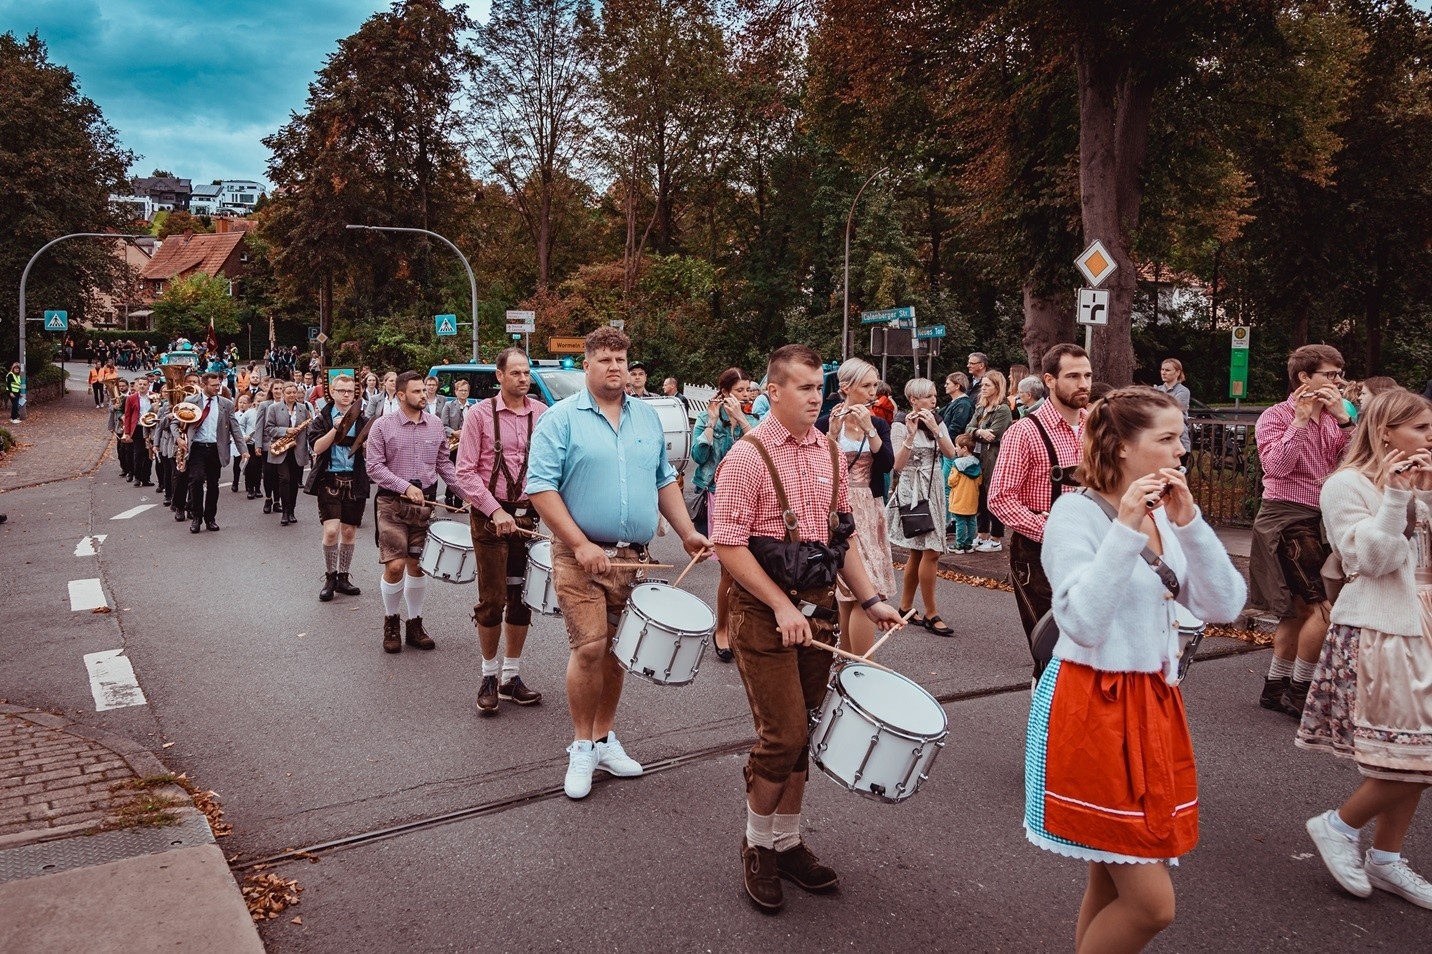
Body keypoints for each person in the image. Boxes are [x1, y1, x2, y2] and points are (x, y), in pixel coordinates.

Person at [1026, 386, 1246, 954]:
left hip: (1152, 698)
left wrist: (1191, 523)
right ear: (1122, 447)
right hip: (1092, 700)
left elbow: (1224, 606)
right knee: (1152, 905)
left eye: (1182, 436)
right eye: (1168, 439)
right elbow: (1083, 621)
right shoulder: (1074, 513)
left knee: (1108, 871)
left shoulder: (1166, 514)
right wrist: (1124, 532)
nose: (1182, 450)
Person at [711, 343, 903, 912]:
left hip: (818, 608)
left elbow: (836, 538)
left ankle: (787, 841)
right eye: (804, 388)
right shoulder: (745, 457)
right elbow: (728, 545)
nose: (816, 398)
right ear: (773, 392)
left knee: (804, 738)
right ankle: (755, 844)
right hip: (765, 612)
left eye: (820, 388)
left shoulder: (829, 453)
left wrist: (870, 600)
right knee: (783, 735)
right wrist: (780, 606)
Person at [526, 327, 711, 800]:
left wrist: (688, 531)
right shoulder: (560, 419)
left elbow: (664, 478)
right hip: (579, 555)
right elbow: (541, 488)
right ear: (586, 365)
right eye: (605, 359)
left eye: (621, 359)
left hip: (633, 560)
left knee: (616, 653)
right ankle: (581, 745)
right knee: (589, 647)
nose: (614, 367)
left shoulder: (647, 418)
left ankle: (605, 738)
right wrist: (579, 543)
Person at [1298, 388, 1432, 907]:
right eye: (1420, 428)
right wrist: (1398, 498)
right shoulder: (1345, 485)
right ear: (1384, 431)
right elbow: (1371, 561)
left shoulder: (1423, 480)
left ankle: (1386, 859)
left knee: (1411, 755)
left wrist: (1424, 493)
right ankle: (1338, 825)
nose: (1429, 436)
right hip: (1381, 627)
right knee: (1415, 757)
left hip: (1422, 624)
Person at [1250, 344, 1352, 717]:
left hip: (1322, 517)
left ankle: (1275, 688)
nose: (1337, 381)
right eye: (1330, 374)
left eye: (1339, 374)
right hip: (1286, 518)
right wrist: (1299, 422)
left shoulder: (1335, 417)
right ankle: (1300, 691)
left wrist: (1344, 419)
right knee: (1321, 609)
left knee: (1296, 611)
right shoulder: (1275, 417)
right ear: (1304, 378)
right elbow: (1275, 467)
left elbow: (1358, 461)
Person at [453, 348, 547, 714]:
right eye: (517, 373)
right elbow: (464, 472)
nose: (524, 379)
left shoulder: (542, 414)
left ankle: (511, 675)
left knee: (521, 599)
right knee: (492, 600)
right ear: (499, 376)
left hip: (528, 517)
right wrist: (494, 509)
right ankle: (489, 674)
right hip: (489, 518)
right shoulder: (479, 415)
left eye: (527, 373)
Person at [989, 344, 1093, 670]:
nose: (1083, 384)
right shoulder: (1025, 432)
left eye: (1087, 375)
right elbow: (1000, 499)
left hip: (1092, 551)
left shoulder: (1098, 426)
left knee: (1088, 656)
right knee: (1053, 658)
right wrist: (1052, 529)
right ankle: (1044, 719)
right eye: (1073, 376)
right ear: (1049, 379)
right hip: (1038, 555)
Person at [365, 371, 461, 654]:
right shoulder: (382, 426)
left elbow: (444, 465)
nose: (424, 395)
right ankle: (391, 621)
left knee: (417, 566)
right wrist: (404, 487)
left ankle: (415, 623)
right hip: (391, 504)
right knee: (395, 566)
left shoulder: (435, 425)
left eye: (424, 391)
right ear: (401, 394)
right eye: (418, 391)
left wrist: (469, 496)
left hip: (424, 506)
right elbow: (374, 467)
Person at [820, 358, 896, 654]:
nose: (872, 391)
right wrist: (830, 434)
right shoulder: (827, 422)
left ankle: (850, 661)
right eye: (866, 385)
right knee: (851, 591)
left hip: (870, 506)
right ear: (845, 387)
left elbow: (887, 464)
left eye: (874, 385)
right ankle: (856, 662)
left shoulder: (877, 422)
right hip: (840, 508)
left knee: (866, 588)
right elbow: (819, 468)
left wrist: (871, 430)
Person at [692, 367, 759, 661]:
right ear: (725, 391)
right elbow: (699, 457)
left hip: (755, 498)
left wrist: (742, 421)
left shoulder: (756, 419)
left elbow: (764, 450)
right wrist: (710, 423)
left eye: (749, 390)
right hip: (721, 495)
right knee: (729, 571)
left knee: (757, 566)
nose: (746, 395)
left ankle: (746, 628)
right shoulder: (708, 419)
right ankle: (722, 629)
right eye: (740, 390)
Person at [886, 378, 958, 637]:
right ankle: (931, 612)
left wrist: (934, 430)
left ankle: (905, 606)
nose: (933, 400)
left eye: (934, 395)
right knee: (930, 551)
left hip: (934, 487)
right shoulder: (899, 423)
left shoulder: (936, 421)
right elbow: (896, 464)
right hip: (912, 488)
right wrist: (911, 433)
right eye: (928, 396)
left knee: (919, 552)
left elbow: (951, 454)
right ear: (913, 399)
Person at [306, 374, 368, 603]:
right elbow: (317, 447)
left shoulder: (363, 420)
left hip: (354, 479)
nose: (345, 395)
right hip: (329, 480)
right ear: (332, 392)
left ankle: (343, 577)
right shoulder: (322, 419)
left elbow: (370, 454)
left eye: (349, 391)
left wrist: (367, 448)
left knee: (349, 531)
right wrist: (336, 429)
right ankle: (329, 577)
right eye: (341, 390)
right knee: (331, 530)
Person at [182, 373, 243, 533]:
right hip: (197, 448)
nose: (218, 388)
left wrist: (243, 450)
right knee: (196, 480)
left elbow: (234, 427)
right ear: (204, 385)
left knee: (213, 484)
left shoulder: (226, 404)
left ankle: (210, 518)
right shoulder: (190, 401)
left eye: (219, 384)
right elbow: (176, 421)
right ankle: (196, 517)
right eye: (214, 385)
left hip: (216, 448)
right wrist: (179, 439)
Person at [966, 369, 1014, 552]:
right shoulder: (981, 407)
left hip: (994, 458)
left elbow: (993, 435)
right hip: (978, 456)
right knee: (980, 495)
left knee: (992, 495)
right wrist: (978, 432)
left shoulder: (1002, 409)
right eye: (982, 385)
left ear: (997, 386)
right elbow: (969, 427)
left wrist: (977, 432)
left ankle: (996, 538)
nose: (983, 388)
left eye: (987, 385)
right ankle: (982, 533)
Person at [264, 382, 313, 526]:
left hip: (297, 449)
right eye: (289, 393)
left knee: (293, 482)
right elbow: (269, 428)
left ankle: (291, 511)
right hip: (282, 449)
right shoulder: (273, 408)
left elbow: (309, 429)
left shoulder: (303, 408)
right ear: (283, 394)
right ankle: (284, 512)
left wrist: (313, 447)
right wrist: (285, 431)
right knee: (284, 479)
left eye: (294, 393)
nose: (292, 395)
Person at [947, 433, 982, 554]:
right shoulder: (977, 463)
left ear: (964, 448)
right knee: (972, 521)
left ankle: (959, 544)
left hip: (959, 497)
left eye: (957, 446)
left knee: (960, 522)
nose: (955, 448)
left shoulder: (957, 464)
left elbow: (952, 481)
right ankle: (969, 544)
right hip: (972, 498)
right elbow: (979, 481)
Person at [441, 378, 471, 509]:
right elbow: (443, 425)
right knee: (452, 472)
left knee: (463, 472)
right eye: (461, 390)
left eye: (466, 391)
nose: (463, 393)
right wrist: (454, 433)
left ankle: (459, 502)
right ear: (456, 392)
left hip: (466, 444)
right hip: (453, 444)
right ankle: (449, 498)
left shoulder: (472, 406)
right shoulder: (448, 405)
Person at [1155, 358, 1192, 462]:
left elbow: (1172, 410)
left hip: (1179, 442)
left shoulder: (1183, 391)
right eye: (1162, 369)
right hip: (1160, 441)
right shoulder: (1157, 390)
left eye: (1167, 370)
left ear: (1177, 372)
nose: (1163, 372)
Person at [121, 380, 154, 487]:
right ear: (137, 385)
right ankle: (137, 477)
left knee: (148, 454)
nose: (142, 386)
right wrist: (127, 432)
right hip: (138, 428)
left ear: (148, 385)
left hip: (150, 427)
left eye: (145, 384)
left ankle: (146, 478)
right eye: (140, 384)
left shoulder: (154, 396)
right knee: (138, 453)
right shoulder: (131, 398)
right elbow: (127, 415)